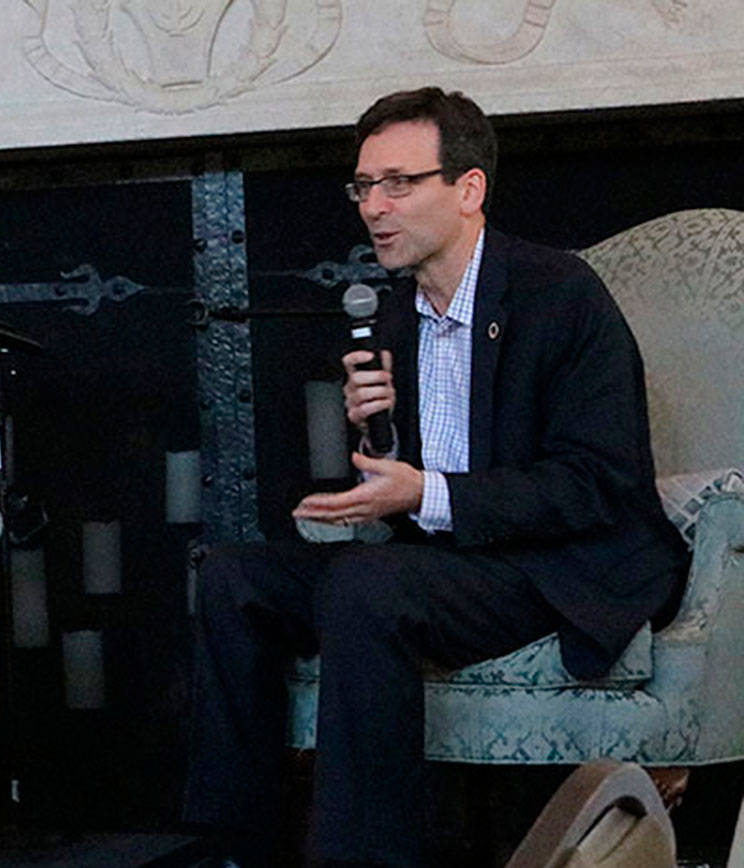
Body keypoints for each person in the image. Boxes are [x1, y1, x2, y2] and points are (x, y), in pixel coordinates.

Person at [182, 88, 689, 867]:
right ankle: (235, 849)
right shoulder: (393, 315)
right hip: (447, 561)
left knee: (365, 587)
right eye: (362, 186)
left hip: (554, 563)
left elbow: (598, 483)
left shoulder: (560, 296)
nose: (373, 208)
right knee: (231, 577)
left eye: (398, 183)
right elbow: (416, 483)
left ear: (468, 189)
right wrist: (377, 435)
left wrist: (423, 492)